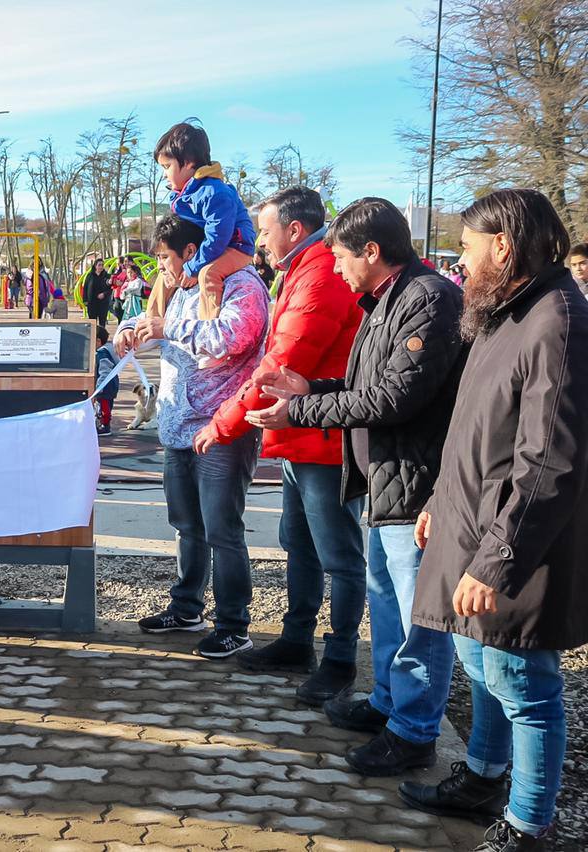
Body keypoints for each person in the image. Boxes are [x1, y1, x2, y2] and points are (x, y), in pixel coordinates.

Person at [249, 197, 467, 776]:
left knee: (419, 619)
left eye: (342, 256)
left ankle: (414, 731)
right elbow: (364, 380)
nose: (338, 269)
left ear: (373, 252)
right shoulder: (386, 301)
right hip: (385, 481)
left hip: (413, 484)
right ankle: (391, 705)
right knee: (388, 604)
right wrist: (310, 384)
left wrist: (302, 410)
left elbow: (395, 397)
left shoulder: (429, 299)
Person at [400, 189, 588, 851]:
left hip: (514, 541)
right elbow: (476, 429)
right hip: (472, 520)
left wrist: (496, 560)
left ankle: (529, 824)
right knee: (479, 663)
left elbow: (548, 460)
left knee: (523, 683)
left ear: (503, 247)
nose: (463, 260)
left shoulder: (556, 319)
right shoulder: (507, 309)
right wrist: (437, 502)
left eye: (471, 247)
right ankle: (483, 775)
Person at [202, 187, 366, 706]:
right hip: (301, 433)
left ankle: (340, 657)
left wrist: (223, 423)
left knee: (338, 555)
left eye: (265, 232)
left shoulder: (319, 275)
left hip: (325, 436)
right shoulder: (305, 269)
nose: (259, 244)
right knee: (299, 543)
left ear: (294, 230)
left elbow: (281, 365)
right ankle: (297, 641)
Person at [119, 215, 268, 659]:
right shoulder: (181, 289)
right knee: (187, 527)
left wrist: (168, 328)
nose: (158, 268)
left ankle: (234, 624)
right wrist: (134, 332)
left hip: (220, 428)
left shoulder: (241, 284)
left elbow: (234, 338)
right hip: (177, 427)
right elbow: (159, 330)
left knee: (223, 531)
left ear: (190, 251)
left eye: (163, 257)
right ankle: (187, 607)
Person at [154, 121, 256, 319]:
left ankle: (208, 324)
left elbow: (217, 237)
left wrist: (193, 267)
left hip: (235, 246)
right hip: (209, 246)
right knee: (165, 274)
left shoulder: (214, 192)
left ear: (189, 162)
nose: (164, 174)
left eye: (167, 166)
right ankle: (151, 323)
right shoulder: (181, 195)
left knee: (208, 274)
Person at [92, 325, 119, 436]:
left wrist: (99, 386)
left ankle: (105, 426)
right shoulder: (107, 351)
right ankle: (104, 424)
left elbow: (105, 370)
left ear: (98, 341)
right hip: (110, 384)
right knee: (106, 405)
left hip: (105, 386)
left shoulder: (102, 353)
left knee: (104, 406)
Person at [82, 259, 112, 330]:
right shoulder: (90, 276)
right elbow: (85, 288)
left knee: (102, 321)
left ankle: (101, 337)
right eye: (99, 265)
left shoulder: (107, 276)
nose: (101, 267)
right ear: (95, 266)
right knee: (92, 321)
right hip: (92, 302)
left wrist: (104, 294)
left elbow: (111, 289)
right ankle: (93, 336)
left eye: (102, 265)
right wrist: (85, 300)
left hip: (103, 302)